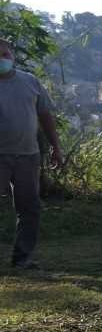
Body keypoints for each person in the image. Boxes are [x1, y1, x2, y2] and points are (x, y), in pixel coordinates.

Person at [0, 38, 63, 269]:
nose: (2, 59)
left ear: (12, 57)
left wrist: (56, 147)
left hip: (28, 155)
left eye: (5, 55)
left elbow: (46, 116)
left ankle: (22, 258)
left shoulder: (30, 82)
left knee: (29, 208)